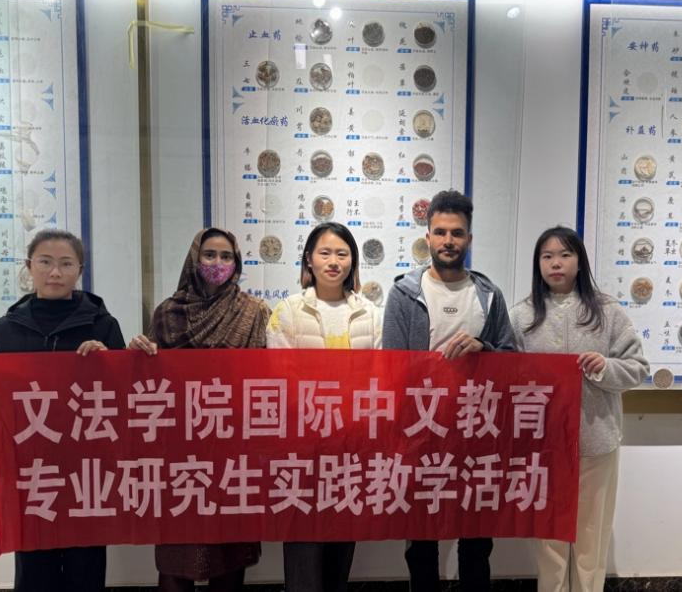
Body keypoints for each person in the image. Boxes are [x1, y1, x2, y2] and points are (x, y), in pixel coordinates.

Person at [0, 228, 125, 592]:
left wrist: (108, 362)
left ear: (80, 270)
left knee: (85, 564)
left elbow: (124, 396)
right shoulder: (6, 329)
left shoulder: (103, 325)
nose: (55, 272)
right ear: (29, 267)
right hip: (31, 465)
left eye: (66, 264)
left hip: (86, 466)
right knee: (33, 566)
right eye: (45, 262)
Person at [382, 189, 515, 592]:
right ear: (428, 237)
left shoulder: (488, 295)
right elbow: (392, 367)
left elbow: (511, 360)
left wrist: (483, 349)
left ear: (469, 239)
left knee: (476, 542)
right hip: (421, 433)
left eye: (457, 233)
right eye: (440, 232)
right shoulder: (405, 294)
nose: (448, 240)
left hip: (477, 432)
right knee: (421, 541)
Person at [129, 227, 269, 592]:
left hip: (231, 449)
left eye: (226, 256)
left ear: (237, 263)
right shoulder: (167, 313)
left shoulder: (253, 312)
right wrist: (137, 354)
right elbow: (150, 384)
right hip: (179, 452)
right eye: (209, 255)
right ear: (194, 259)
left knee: (229, 553)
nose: (217, 263)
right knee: (177, 554)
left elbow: (265, 378)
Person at [509, 226, 648, 592]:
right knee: (549, 538)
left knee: (591, 535)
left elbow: (638, 368)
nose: (556, 263)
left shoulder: (608, 311)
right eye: (547, 256)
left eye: (565, 255)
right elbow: (506, 378)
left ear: (580, 262)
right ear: (538, 264)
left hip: (596, 441)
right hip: (543, 446)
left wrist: (605, 366)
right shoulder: (521, 316)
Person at [266, 221, 382, 592]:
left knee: (341, 549)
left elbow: (380, 378)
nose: (334, 261)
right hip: (302, 451)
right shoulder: (287, 311)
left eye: (342, 254)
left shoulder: (371, 314)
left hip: (351, 449)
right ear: (309, 260)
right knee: (303, 550)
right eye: (325, 253)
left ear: (353, 261)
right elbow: (280, 380)